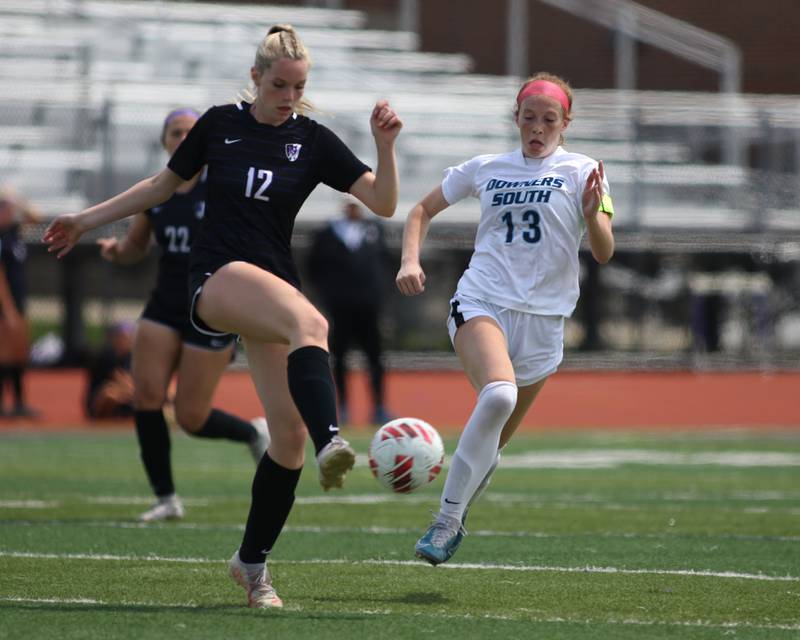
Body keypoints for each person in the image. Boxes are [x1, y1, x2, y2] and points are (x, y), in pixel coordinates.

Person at [44, 25, 401, 608]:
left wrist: (384, 146)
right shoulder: (219, 124)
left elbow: (383, 202)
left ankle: (252, 565)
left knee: (284, 440)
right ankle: (331, 438)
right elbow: (162, 186)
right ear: (256, 78)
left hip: (271, 290)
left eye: (298, 86)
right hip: (215, 278)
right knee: (313, 326)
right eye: (279, 83)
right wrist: (86, 219)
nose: (288, 95)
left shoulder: (311, 139)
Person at [396, 72, 614, 566]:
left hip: (545, 321)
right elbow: (419, 211)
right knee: (499, 394)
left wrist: (592, 213)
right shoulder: (487, 167)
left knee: (495, 442)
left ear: (566, 123)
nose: (537, 128)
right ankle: (445, 522)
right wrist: (411, 260)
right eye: (529, 118)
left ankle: (456, 514)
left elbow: (604, 251)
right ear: (516, 119)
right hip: (483, 300)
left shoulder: (585, 172)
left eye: (549, 120)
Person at [96, 107, 271, 523]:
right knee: (147, 397)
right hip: (164, 304)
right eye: (174, 132)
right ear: (164, 142)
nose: (181, 138)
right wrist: (115, 252)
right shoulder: (156, 193)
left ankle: (251, 432)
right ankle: (166, 498)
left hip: (210, 307)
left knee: (192, 416)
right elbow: (137, 246)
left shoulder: (222, 188)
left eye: (189, 132)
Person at [307, 199, 393, 425]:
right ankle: (343, 406)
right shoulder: (327, 233)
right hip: (339, 306)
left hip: (369, 305)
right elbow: (313, 267)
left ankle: (379, 406)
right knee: (339, 357)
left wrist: (380, 294)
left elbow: (386, 263)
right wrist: (327, 294)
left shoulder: (374, 230)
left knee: (375, 357)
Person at [0, 185, 42, 418]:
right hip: (6, 306)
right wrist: (8, 311)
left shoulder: (14, 232)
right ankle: (7, 403)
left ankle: (18, 403)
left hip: (19, 301)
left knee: (18, 354)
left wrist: (17, 200)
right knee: (4, 354)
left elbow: (36, 217)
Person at [84, 321, 135, 419]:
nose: (124, 340)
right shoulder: (106, 357)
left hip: (126, 395)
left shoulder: (132, 357)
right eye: (121, 337)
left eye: (128, 337)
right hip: (98, 398)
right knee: (110, 394)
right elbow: (121, 379)